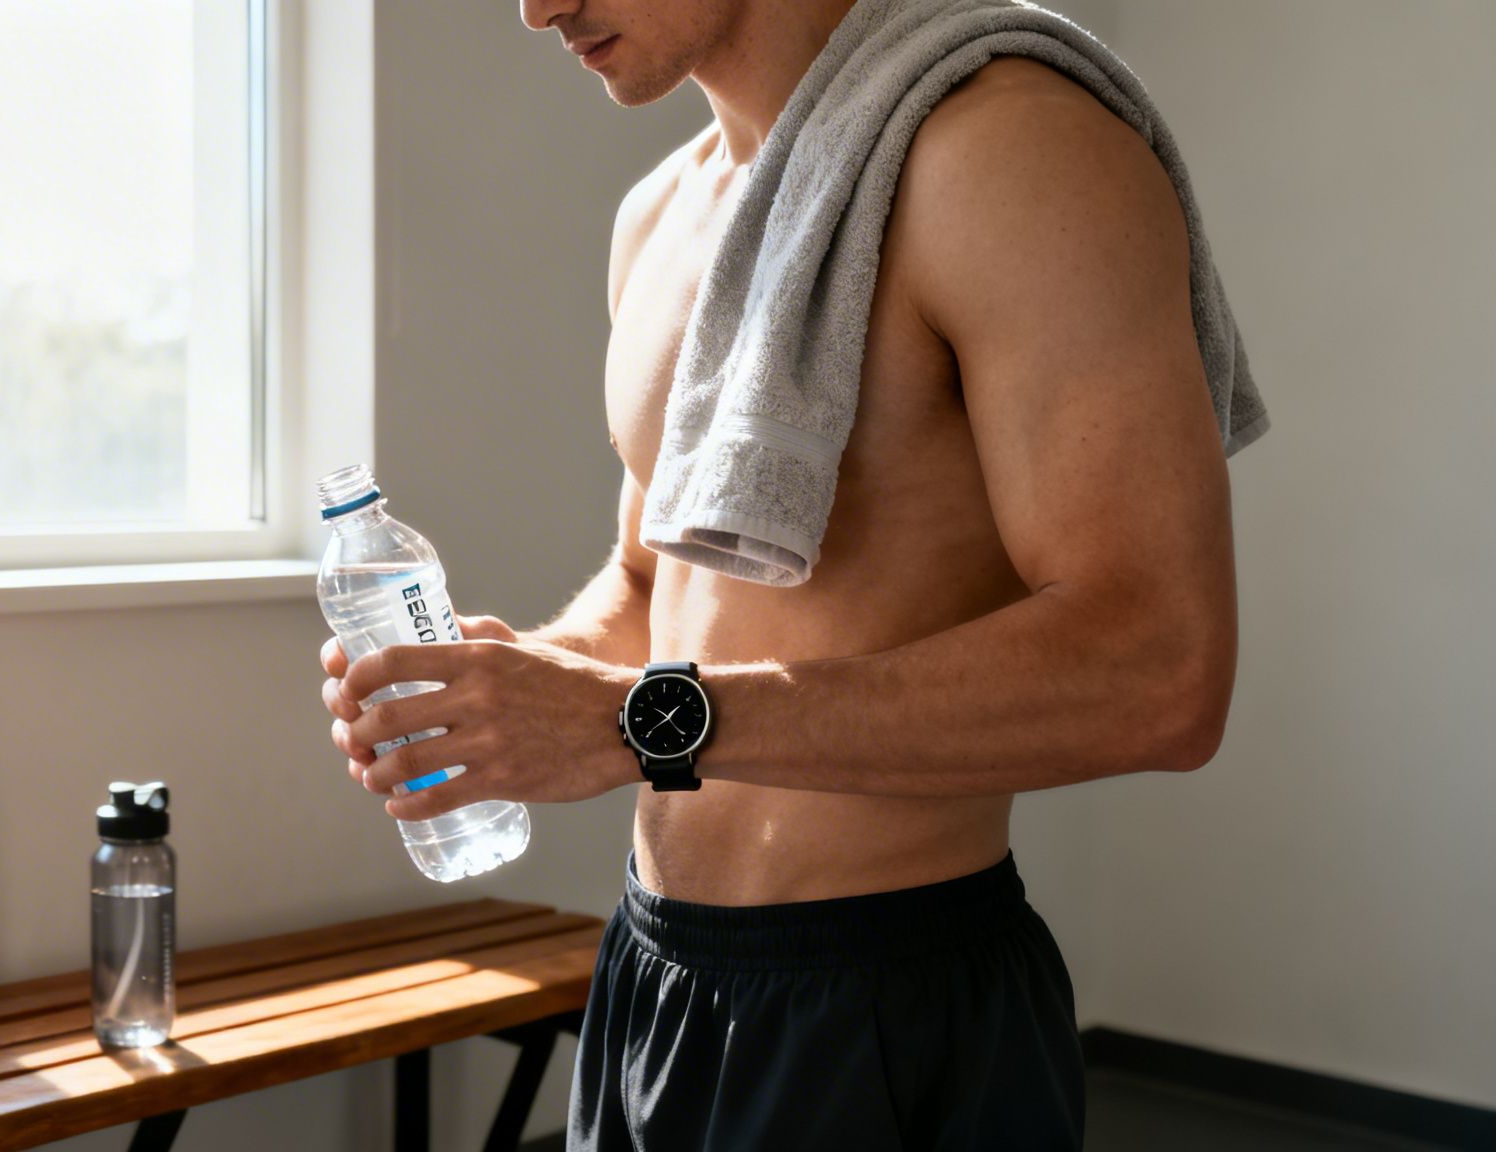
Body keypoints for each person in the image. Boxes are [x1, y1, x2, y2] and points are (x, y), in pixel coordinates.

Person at [321, 0, 1249, 1146]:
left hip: (884, 1002)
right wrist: (518, 686)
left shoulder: (1008, 153)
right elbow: (649, 582)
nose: (534, 7)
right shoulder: (658, 216)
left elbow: (1158, 672)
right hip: (654, 979)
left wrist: (635, 726)